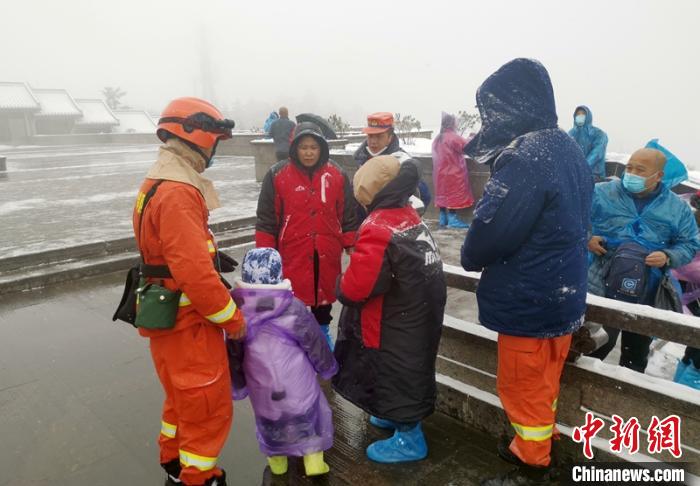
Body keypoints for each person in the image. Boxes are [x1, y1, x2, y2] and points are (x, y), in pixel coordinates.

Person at [460, 59, 593, 485]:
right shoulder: (567, 148)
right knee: (544, 384)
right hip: (562, 296)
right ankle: (535, 441)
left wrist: (470, 254)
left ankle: (532, 462)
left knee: (521, 388)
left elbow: (493, 229)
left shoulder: (524, 156)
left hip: (528, 301)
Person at [134, 97, 247, 486]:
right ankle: (199, 476)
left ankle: (172, 459)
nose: (215, 149)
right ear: (197, 137)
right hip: (189, 325)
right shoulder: (180, 192)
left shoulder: (157, 181)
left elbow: (168, 254)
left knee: (179, 399)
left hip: (165, 318)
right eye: (216, 140)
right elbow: (195, 275)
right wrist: (232, 318)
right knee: (206, 406)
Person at [332, 155, 446, 464]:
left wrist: (340, 283)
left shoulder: (378, 227)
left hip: (393, 320)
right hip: (419, 315)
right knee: (410, 367)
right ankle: (394, 415)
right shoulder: (409, 215)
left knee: (395, 371)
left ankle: (410, 437)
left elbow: (358, 288)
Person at [587, 148, 700, 373]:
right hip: (599, 281)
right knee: (593, 345)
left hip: (647, 288)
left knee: (634, 356)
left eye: (640, 170)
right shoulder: (601, 192)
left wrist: (669, 256)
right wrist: (586, 238)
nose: (631, 173)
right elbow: (570, 220)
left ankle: (623, 397)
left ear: (658, 176)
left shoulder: (676, 208)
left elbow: (690, 243)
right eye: (629, 167)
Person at [228, 248, 337, 476]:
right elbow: (314, 341)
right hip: (297, 380)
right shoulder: (292, 307)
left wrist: (238, 384)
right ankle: (313, 462)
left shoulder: (236, 313)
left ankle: (278, 465)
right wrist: (326, 367)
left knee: (270, 420)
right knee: (307, 417)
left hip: (261, 384)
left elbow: (233, 353)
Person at [255, 122, 358, 348]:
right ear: (295, 148)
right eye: (304, 147)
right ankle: (296, 341)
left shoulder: (336, 174)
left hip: (326, 248)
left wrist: (350, 242)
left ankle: (322, 335)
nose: (309, 152)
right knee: (294, 298)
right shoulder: (277, 175)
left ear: (321, 148)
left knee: (323, 297)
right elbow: (266, 218)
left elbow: (347, 212)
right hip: (292, 250)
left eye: (314, 147)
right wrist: (265, 253)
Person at [353, 112, 431, 213]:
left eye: (379, 136)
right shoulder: (362, 159)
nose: (373, 141)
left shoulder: (402, 161)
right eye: (370, 136)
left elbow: (423, 195)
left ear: (390, 137)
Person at [670, 196, 700, 390]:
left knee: (694, 352)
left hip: (690, 295)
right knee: (696, 359)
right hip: (687, 293)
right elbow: (685, 264)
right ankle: (681, 398)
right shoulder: (690, 226)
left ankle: (677, 394)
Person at [431, 112, 473, 228]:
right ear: (452, 123)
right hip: (453, 173)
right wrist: (471, 138)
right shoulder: (453, 137)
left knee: (443, 195)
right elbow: (467, 147)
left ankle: (443, 218)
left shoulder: (438, 138)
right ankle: (453, 219)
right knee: (452, 196)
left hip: (440, 174)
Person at [568, 105, 608, 182]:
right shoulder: (571, 134)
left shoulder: (599, 134)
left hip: (595, 176)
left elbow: (596, 154)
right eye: (577, 114)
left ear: (588, 116)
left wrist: (582, 168)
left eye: (583, 114)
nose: (580, 116)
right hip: (575, 175)